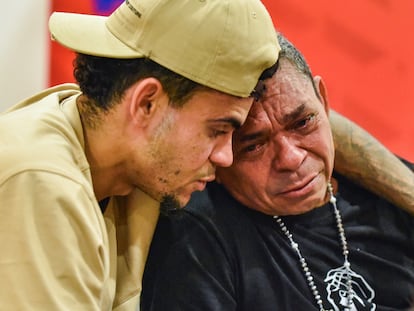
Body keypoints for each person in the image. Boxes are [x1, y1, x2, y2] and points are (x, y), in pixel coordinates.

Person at [0, 0, 280, 310]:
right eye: (217, 130)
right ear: (147, 103)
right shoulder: (40, 181)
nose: (226, 156)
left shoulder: (120, 154)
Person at [141, 33, 414, 311]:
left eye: (302, 123)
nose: (291, 159)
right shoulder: (196, 238)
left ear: (323, 101)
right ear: (219, 148)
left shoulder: (393, 194)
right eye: (254, 146)